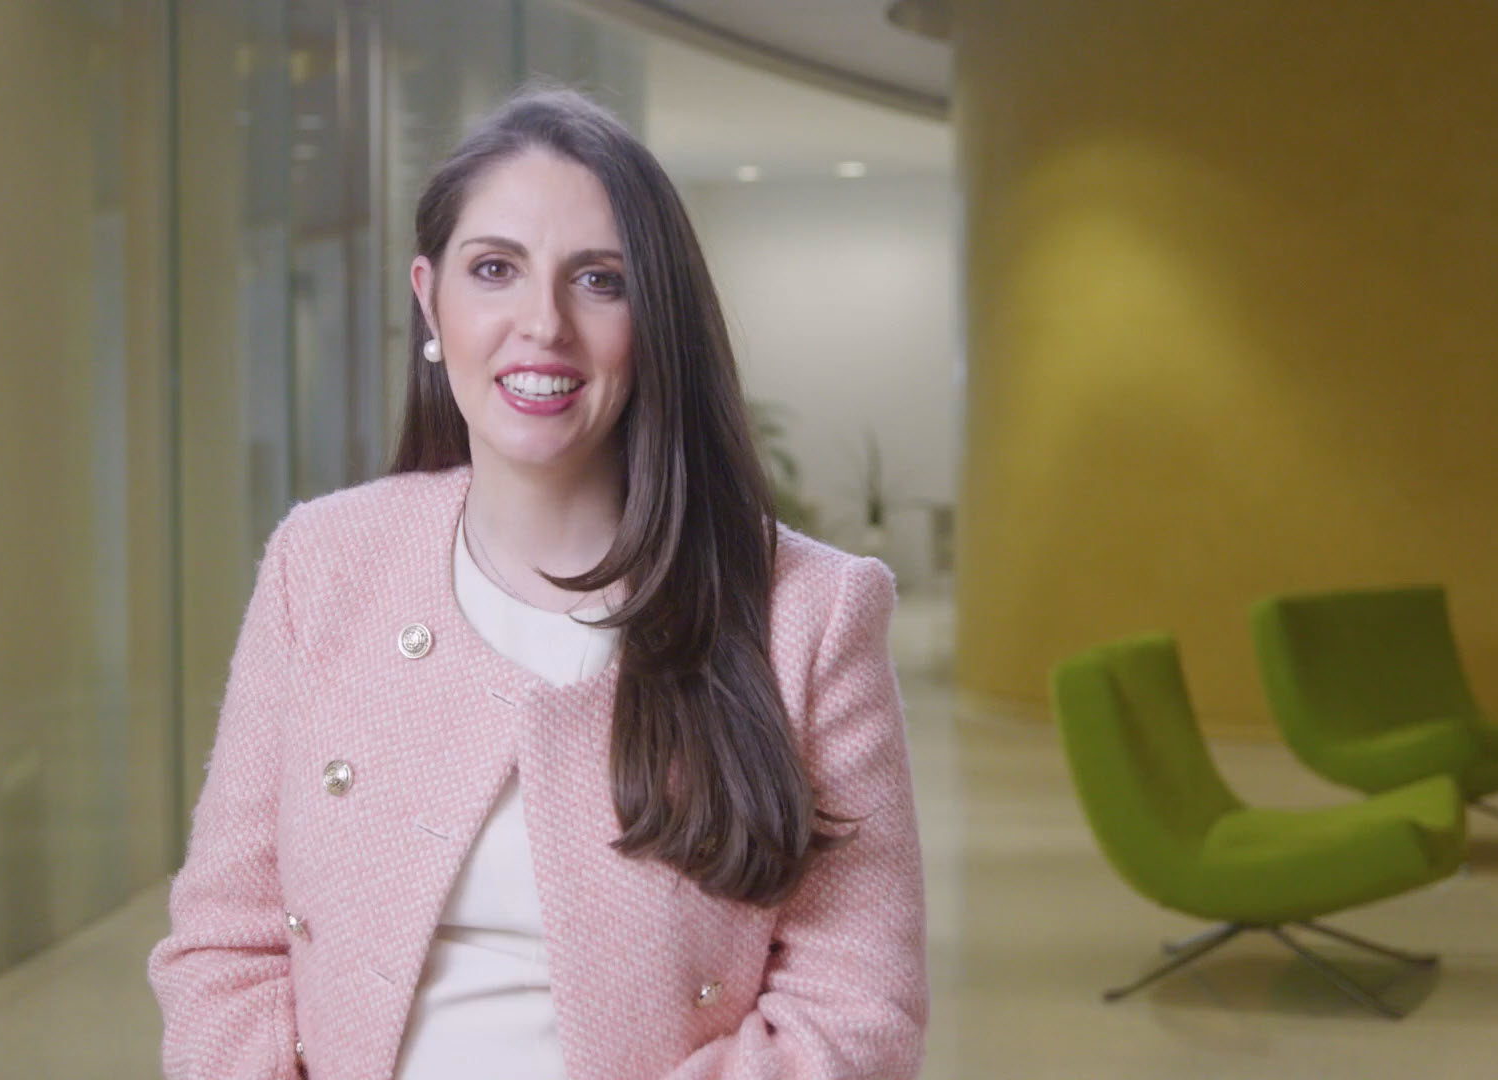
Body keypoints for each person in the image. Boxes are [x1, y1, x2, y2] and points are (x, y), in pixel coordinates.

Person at [148, 85, 926, 1080]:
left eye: (599, 280)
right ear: (430, 299)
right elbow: (226, 943)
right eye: (494, 271)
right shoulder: (323, 565)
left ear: (656, 320)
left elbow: (855, 1011)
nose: (542, 324)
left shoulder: (807, 615)